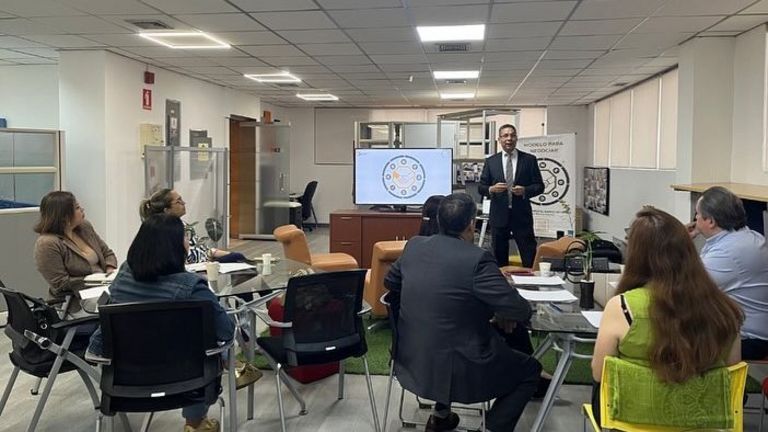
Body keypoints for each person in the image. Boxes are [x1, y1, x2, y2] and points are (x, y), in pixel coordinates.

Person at [385, 193, 541, 432]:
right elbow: (519, 309)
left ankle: (441, 416)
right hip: (462, 368)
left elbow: (391, 283)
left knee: (447, 333)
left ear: (439, 220)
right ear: (471, 224)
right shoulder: (477, 259)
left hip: (410, 358)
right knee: (530, 370)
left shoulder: (414, 245)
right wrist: (497, 312)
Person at [592, 207, 742, 426]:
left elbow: (599, 374)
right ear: (688, 251)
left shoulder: (622, 307)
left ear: (636, 255)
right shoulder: (725, 309)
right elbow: (731, 371)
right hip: (703, 423)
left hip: (632, 422)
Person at [87, 214, 235, 432]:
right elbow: (226, 331)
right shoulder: (192, 288)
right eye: (185, 237)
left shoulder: (124, 275)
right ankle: (195, 422)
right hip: (189, 383)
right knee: (205, 346)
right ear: (175, 247)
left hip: (125, 384)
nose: (188, 242)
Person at [687, 186, 768, 360]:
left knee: (672, 339)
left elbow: (686, 289)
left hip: (749, 338)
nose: (695, 219)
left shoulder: (728, 253)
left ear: (710, 222)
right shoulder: (746, 236)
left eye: (697, 214)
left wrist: (679, 242)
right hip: (749, 329)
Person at [479, 124, 544, 267]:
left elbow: (540, 186)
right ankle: (501, 280)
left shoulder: (529, 160)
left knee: (529, 254)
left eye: (512, 135)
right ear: (499, 139)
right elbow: (481, 187)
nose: (509, 138)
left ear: (516, 138)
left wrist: (525, 190)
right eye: (505, 136)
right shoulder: (491, 161)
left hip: (522, 216)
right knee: (499, 256)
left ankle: (531, 279)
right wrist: (491, 189)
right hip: (498, 216)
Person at [34, 191, 117, 303]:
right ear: (64, 216)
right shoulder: (47, 243)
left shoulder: (85, 227)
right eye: (77, 208)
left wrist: (110, 271)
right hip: (73, 300)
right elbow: (60, 283)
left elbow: (107, 253)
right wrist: (95, 281)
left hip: (102, 290)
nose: (82, 209)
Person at [140, 188, 246, 264]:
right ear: (166, 210)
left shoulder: (183, 225)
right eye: (178, 201)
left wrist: (219, 253)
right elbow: (185, 259)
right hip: (194, 268)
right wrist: (210, 259)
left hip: (205, 260)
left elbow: (202, 248)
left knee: (238, 257)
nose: (184, 203)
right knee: (236, 259)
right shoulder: (165, 230)